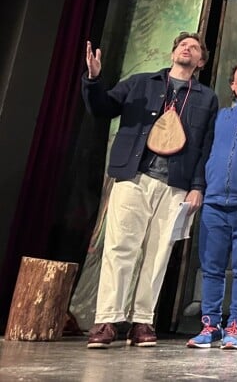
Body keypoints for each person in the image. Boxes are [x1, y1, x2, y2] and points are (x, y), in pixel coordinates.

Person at [82, 32, 218, 349]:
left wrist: (198, 186)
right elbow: (102, 108)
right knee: (120, 247)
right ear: (173, 53)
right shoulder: (142, 83)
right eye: (183, 44)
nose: (187, 48)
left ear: (200, 61)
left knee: (158, 254)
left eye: (195, 47)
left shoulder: (206, 98)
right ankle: (107, 319)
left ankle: (143, 320)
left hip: (176, 185)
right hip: (133, 176)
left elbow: (204, 148)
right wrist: (93, 78)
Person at [186, 62, 237, 350]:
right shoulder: (220, 116)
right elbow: (204, 151)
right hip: (214, 203)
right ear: (232, 85)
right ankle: (210, 326)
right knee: (212, 268)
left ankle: (236, 326)